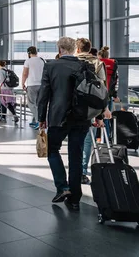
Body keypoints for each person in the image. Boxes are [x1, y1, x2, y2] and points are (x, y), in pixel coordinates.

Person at [37, 37, 105, 211]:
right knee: (76, 155)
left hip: (58, 117)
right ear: (75, 49)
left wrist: (41, 118)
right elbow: (95, 92)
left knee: (52, 149)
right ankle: (75, 199)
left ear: (59, 48)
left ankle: (63, 187)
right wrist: (98, 116)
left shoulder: (51, 66)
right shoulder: (85, 66)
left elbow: (44, 95)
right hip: (81, 117)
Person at [76, 38, 110, 185]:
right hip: (89, 107)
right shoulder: (97, 63)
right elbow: (102, 90)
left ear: (77, 49)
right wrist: (101, 113)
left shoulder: (70, 62)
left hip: (71, 107)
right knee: (87, 140)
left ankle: (73, 171)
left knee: (73, 140)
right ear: (89, 50)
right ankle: (82, 172)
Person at [98, 46, 119, 138]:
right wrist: (114, 95)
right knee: (106, 118)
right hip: (108, 95)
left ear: (99, 55)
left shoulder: (97, 64)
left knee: (96, 119)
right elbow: (115, 82)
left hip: (97, 95)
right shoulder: (113, 64)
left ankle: (96, 138)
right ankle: (107, 139)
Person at [22, 46, 45, 130]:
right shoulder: (42, 60)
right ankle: (35, 120)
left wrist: (23, 83)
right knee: (39, 104)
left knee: (31, 104)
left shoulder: (28, 61)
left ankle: (40, 121)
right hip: (41, 85)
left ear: (29, 53)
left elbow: (25, 73)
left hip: (32, 85)